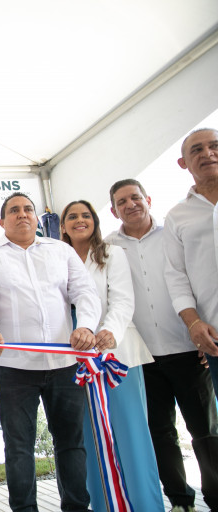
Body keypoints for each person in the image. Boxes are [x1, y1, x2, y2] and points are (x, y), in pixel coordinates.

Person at [0, 192, 101, 512]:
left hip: (64, 363)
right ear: (2, 221)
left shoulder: (61, 250)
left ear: (36, 218)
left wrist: (86, 326)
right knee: (18, 448)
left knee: (71, 443)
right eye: (14, 210)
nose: (23, 214)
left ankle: (76, 507)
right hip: (14, 367)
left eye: (28, 209)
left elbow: (85, 292)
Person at [110, 177, 218, 511]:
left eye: (135, 197)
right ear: (113, 211)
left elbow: (193, 280)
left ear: (148, 199)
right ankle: (181, 500)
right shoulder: (109, 246)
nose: (130, 205)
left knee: (206, 431)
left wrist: (201, 331)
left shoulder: (172, 232)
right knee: (160, 432)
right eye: (122, 202)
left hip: (188, 349)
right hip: (143, 357)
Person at [59, 199, 162, 511]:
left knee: (131, 434)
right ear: (62, 226)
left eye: (86, 215)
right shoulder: (56, 257)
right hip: (75, 358)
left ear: (95, 221)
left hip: (116, 354)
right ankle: (103, 505)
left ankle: (145, 505)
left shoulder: (112, 253)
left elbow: (122, 300)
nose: (80, 220)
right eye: (72, 216)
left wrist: (109, 332)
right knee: (89, 437)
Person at [165, 128, 218, 394]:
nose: (208, 153)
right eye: (197, 150)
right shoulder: (177, 216)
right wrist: (194, 324)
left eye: (214, 146)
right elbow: (176, 275)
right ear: (183, 162)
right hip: (215, 336)